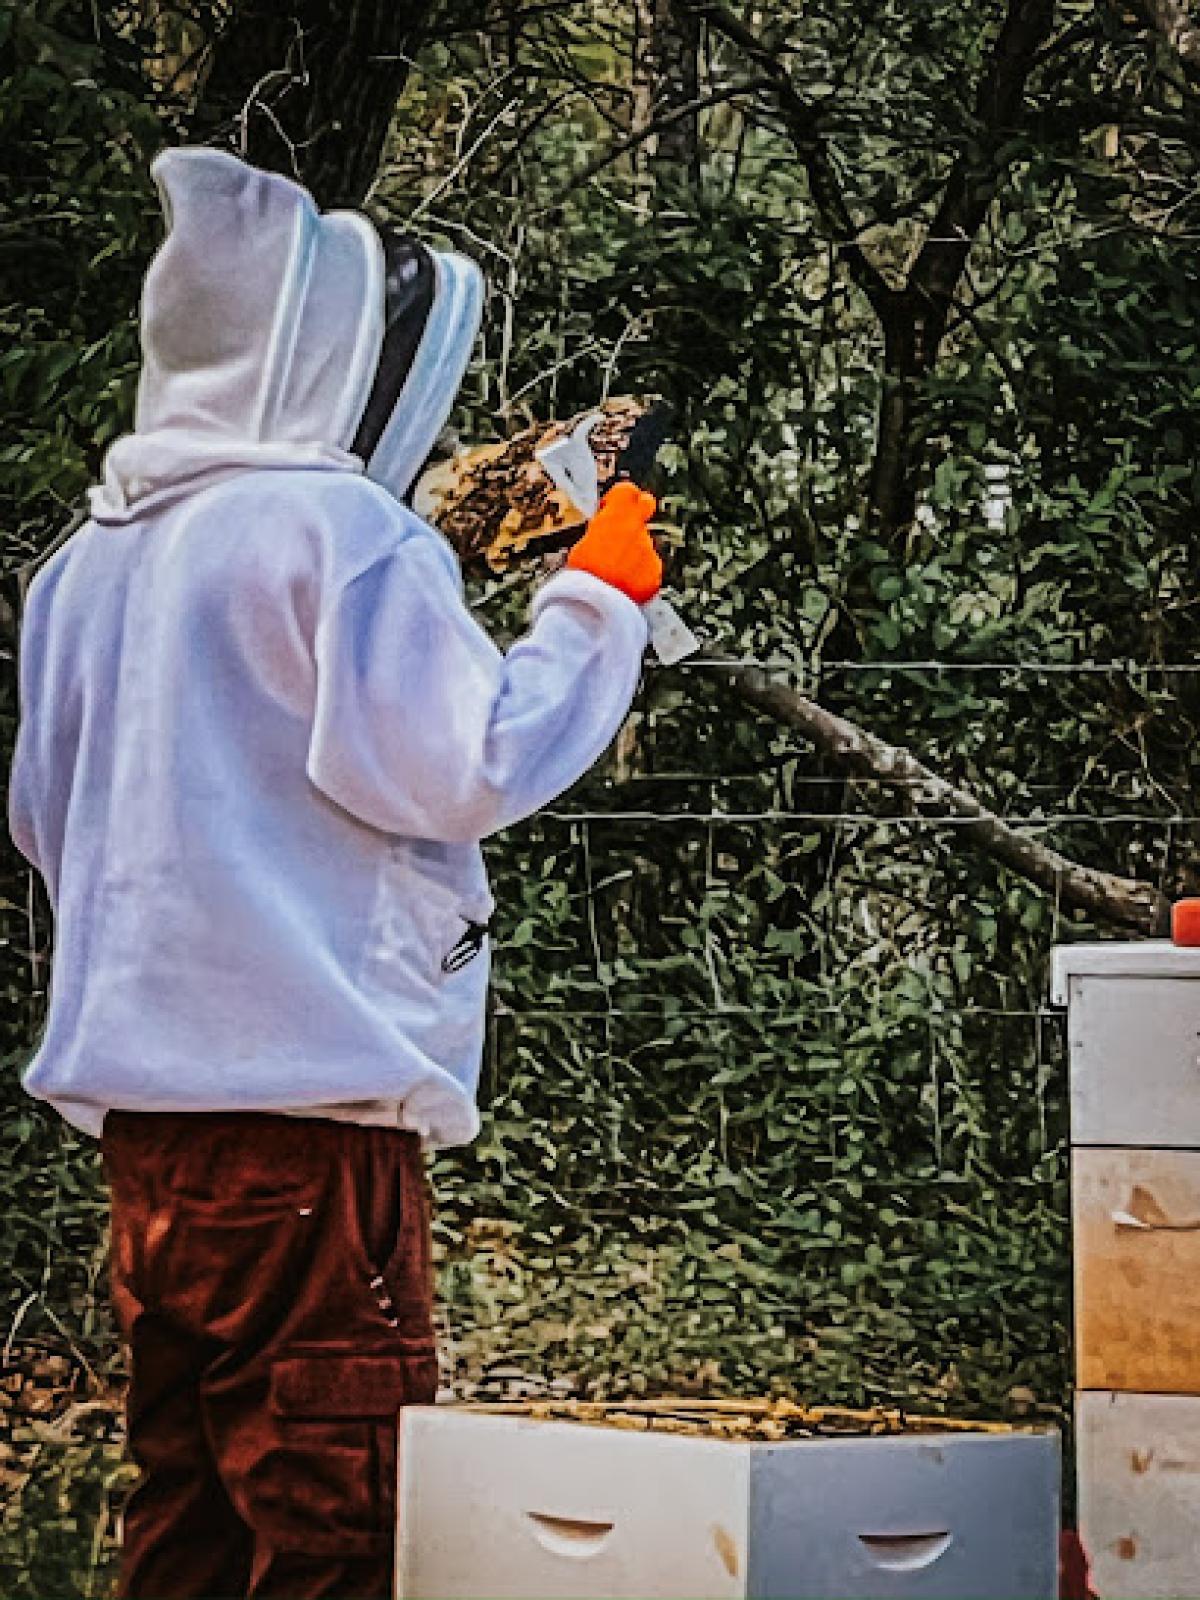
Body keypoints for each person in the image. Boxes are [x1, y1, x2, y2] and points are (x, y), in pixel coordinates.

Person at [8, 145, 664, 1600]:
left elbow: (49, 824)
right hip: (308, 1146)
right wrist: (596, 602)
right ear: (323, 358)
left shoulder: (82, 567)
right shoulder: (338, 531)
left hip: (151, 1153)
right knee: (331, 1525)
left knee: (187, 1510)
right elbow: (471, 762)